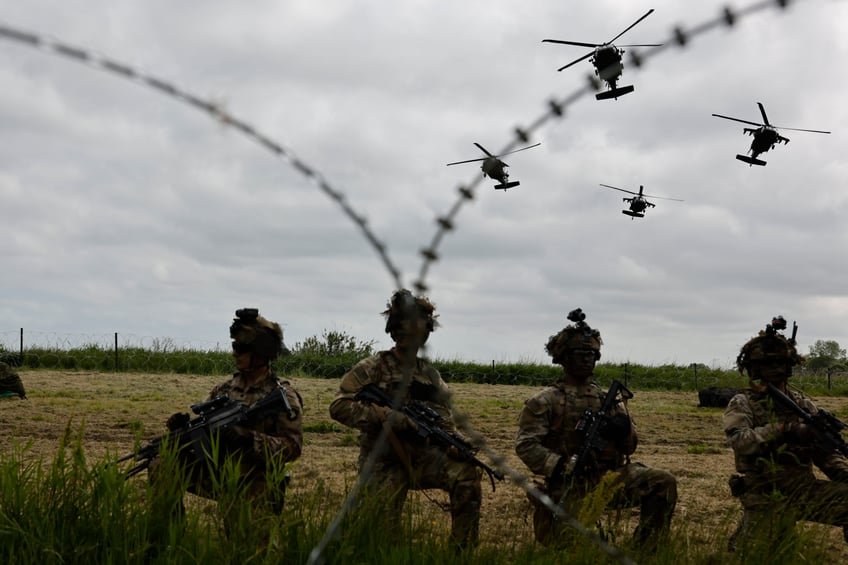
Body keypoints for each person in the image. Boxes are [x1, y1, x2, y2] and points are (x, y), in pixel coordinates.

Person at [328, 289, 482, 551]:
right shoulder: (372, 368)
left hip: (423, 457)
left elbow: (443, 419)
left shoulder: (430, 376)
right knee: (382, 537)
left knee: (467, 473)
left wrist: (455, 442)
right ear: (395, 333)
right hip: (383, 460)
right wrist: (388, 417)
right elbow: (339, 406)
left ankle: (461, 552)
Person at [515, 308, 677, 549]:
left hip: (608, 478)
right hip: (570, 485)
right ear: (565, 357)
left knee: (662, 482)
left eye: (592, 354)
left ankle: (646, 550)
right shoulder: (545, 400)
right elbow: (526, 445)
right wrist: (560, 465)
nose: (588, 358)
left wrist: (623, 430)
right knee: (572, 546)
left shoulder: (606, 400)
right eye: (581, 353)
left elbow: (631, 446)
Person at [149, 308, 303, 533]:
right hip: (219, 471)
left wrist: (249, 438)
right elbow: (204, 429)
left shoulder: (281, 396)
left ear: (260, 353)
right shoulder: (224, 390)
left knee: (246, 543)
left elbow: (293, 447)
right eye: (234, 347)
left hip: (255, 479)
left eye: (240, 348)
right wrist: (183, 431)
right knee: (162, 464)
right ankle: (167, 537)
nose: (234, 353)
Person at [724, 316, 848, 552]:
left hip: (803, 490)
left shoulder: (801, 404)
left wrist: (842, 473)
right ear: (754, 368)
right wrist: (784, 430)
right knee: (758, 554)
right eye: (767, 365)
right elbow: (740, 442)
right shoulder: (743, 402)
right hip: (764, 493)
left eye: (779, 364)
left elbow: (826, 452)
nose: (775, 370)